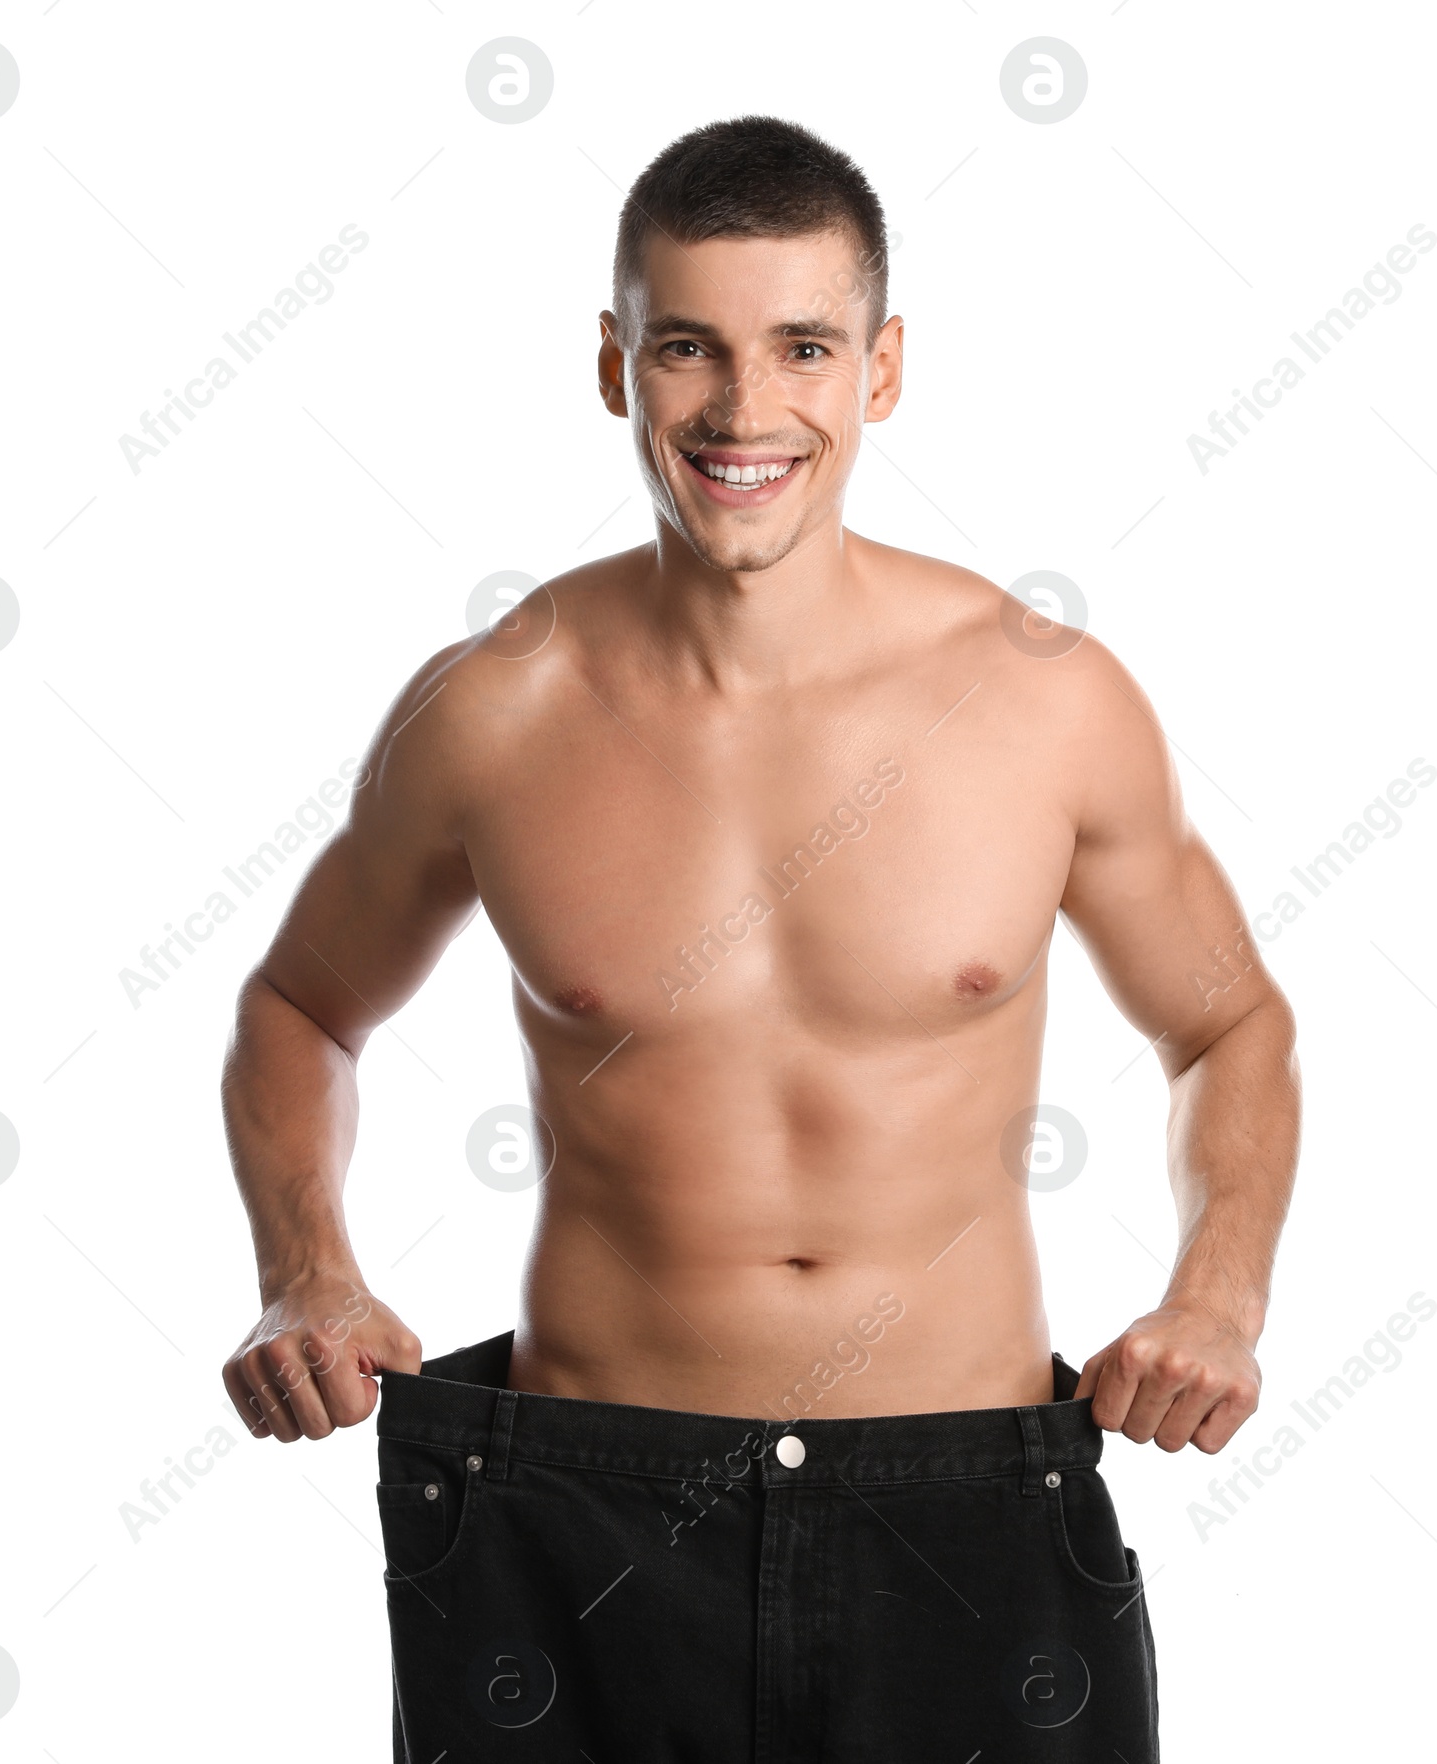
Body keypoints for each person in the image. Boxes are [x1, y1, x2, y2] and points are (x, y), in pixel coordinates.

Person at [221, 114, 1300, 1761]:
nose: (743, 411)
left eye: (802, 347)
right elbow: (302, 1003)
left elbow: (1230, 1026)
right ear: (613, 367)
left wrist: (1217, 1297)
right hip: (582, 1516)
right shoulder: (495, 713)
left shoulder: (1039, 702)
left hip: (966, 1499)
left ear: (879, 372)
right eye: (687, 350)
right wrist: (308, 1269)